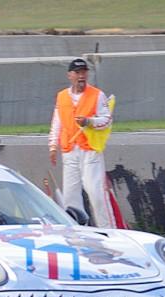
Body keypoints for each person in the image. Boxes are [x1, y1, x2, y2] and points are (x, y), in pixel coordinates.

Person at [48, 58, 113, 228]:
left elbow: (106, 120)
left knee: (96, 194)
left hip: (89, 150)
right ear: (70, 75)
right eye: (77, 72)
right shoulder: (62, 96)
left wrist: (89, 122)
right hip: (69, 150)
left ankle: (109, 230)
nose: (81, 76)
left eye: (84, 72)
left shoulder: (97, 95)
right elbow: (57, 122)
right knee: (70, 196)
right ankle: (76, 233)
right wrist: (53, 145)